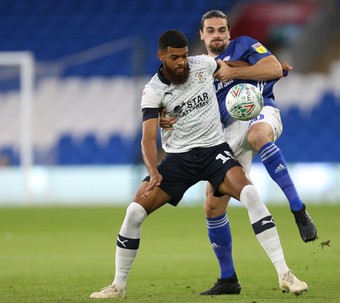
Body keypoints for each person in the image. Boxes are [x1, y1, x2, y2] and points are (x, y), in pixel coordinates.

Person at [90, 29, 307, 299]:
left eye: (183, 56)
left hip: (214, 152)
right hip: (178, 160)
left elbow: (233, 67)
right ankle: (118, 286)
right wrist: (154, 172)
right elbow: (147, 139)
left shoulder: (201, 64)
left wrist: (276, 68)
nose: (182, 62)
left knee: (250, 194)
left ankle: (285, 274)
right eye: (175, 58)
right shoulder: (153, 91)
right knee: (134, 212)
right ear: (162, 56)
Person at [160, 10, 317, 295]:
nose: (217, 35)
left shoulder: (244, 45)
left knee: (258, 134)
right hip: (225, 133)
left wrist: (235, 71)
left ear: (229, 32)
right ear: (202, 35)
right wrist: (163, 115)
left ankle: (298, 209)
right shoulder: (196, 68)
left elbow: (273, 68)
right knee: (212, 206)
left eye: (221, 29)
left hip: (259, 112)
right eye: (211, 30)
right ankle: (228, 279)